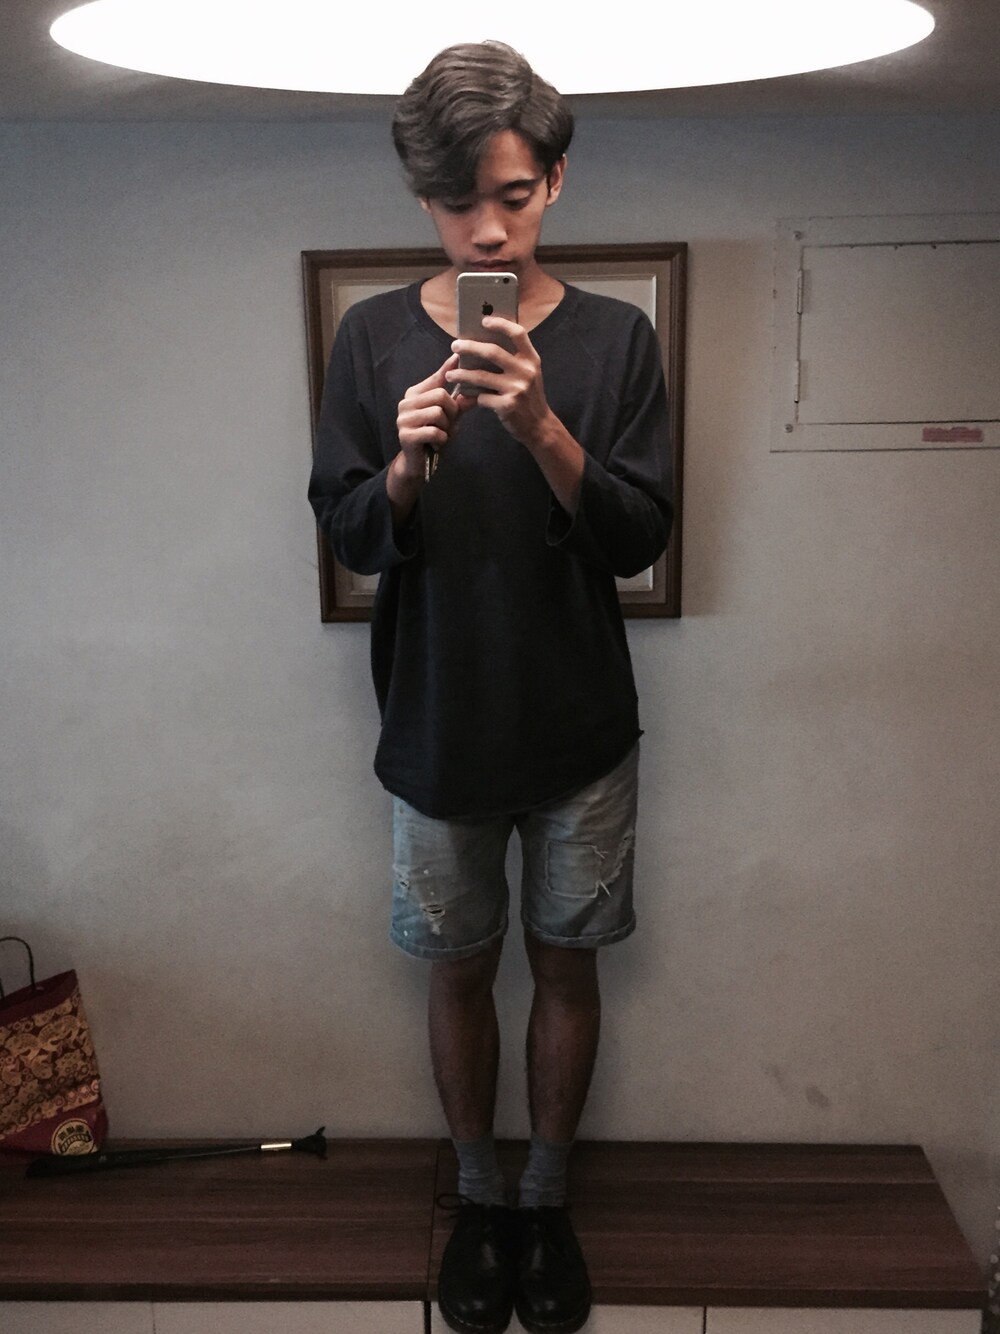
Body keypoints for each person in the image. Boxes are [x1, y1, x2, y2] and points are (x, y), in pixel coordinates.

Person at [309, 40, 672, 1334]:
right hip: (436, 725)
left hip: (580, 728)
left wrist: (540, 426)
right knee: (456, 970)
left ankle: (545, 1201)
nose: (485, 230)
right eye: (457, 202)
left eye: (512, 197)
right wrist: (406, 467)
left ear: (555, 181)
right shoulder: (370, 339)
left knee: (567, 968)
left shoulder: (617, 339)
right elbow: (350, 534)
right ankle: (477, 1198)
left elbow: (638, 535)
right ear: (423, 197)